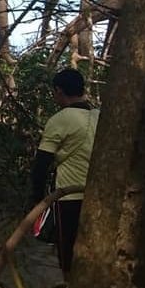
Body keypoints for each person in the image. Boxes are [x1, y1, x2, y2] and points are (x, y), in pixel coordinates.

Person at [30, 68, 99, 277]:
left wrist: (38, 201)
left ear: (59, 91)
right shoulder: (99, 115)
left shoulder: (60, 119)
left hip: (68, 198)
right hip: (97, 196)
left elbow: (41, 165)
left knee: (68, 252)